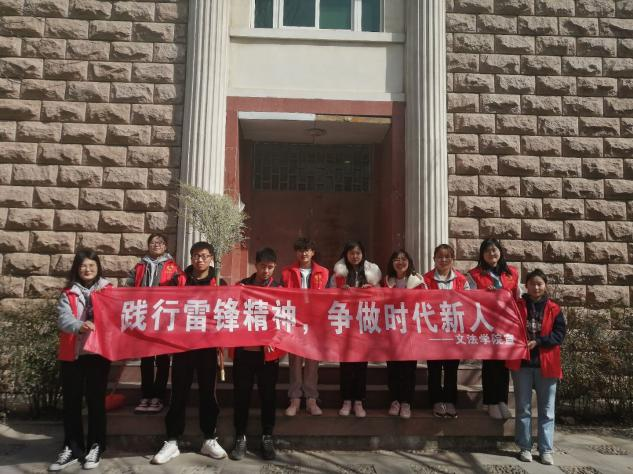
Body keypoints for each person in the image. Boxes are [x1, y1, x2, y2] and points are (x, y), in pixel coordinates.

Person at [151, 242, 226, 465]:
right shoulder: (179, 280)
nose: (199, 260)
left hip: (207, 347)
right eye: (196, 256)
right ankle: (172, 440)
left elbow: (228, 311)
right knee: (179, 393)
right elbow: (162, 303)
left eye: (204, 256)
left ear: (211, 258)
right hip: (182, 347)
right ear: (191, 257)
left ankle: (209, 438)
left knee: (208, 394)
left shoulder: (218, 282)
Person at [50, 250, 112, 471]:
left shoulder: (108, 291)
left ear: (98, 268)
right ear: (77, 268)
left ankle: (96, 446)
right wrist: (79, 325)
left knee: (96, 402)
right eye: (83, 266)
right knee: (71, 403)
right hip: (73, 355)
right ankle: (72, 447)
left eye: (92, 266)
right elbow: (63, 319)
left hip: (98, 355)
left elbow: (115, 316)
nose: (88, 270)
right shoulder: (68, 293)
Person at [229, 248, 283, 462]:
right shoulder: (242, 286)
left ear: (274, 267)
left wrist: (275, 342)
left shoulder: (279, 289)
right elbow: (231, 312)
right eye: (262, 266)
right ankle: (240, 437)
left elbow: (284, 320)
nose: (266, 271)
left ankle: (267, 436)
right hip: (244, 352)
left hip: (268, 354)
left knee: (268, 396)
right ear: (256, 265)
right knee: (241, 396)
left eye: (270, 267)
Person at [507, 269, 566, 466]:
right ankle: (525, 447)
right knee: (523, 408)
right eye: (532, 283)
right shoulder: (517, 306)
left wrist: (539, 342)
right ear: (526, 286)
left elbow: (559, 334)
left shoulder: (554, 309)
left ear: (545, 286)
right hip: (522, 364)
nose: (536, 287)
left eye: (540, 283)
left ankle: (546, 449)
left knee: (547, 410)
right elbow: (507, 328)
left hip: (546, 364)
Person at [127, 233, 183, 414]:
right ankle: (146, 395)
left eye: (160, 242)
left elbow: (182, 288)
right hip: (144, 317)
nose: (156, 245)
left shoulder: (173, 268)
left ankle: (158, 396)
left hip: (163, 318)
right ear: (148, 245)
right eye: (153, 242)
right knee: (146, 359)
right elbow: (128, 287)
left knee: (163, 359)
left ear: (165, 246)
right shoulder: (139, 266)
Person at [467, 238, 520, 420]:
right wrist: (484, 294)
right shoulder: (474, 274)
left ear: (500, 252)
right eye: (487, 251)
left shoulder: (512, 273)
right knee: (489, 364)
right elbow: (469, 298)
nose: (492, 254)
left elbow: (517, 298)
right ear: (482, 255)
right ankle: (490, 402)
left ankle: (502, 400)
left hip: (506, 325)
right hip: (486, 325)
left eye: (494, 250)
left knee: (503, 364)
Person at [331, 240, 382, 418]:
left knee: (361, 365)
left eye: (358, 253)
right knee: (346, 365)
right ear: (346, 254)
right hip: (345, 324)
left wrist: (372, 290)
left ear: (363, 254)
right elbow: (328, 295)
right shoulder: (338, 273)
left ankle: (359, 401)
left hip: (363, 324)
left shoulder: (371, 273)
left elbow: (381, 297)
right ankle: (346, 400)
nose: (355, 256)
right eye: (351, 253)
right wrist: (340, 291)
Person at [281, 237, 329, 417]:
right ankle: (294, 399)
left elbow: (328, 296)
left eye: (307, 250)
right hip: (295, 320)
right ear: (296, 252)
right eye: (300, 250)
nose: (304, 253)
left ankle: (311, 399)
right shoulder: (286, 272)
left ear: (313, 252)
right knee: (294, 361)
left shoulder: (323, 272)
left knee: (312, 362)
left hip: (315, 322)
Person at [423, 244, 471, 419]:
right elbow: (422, 302)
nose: (443, 260)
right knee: (434, 368)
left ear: (452, 259)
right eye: (440, 257)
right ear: (434, 259)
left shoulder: (461, 280)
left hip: (454, 331)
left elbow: (469, 302)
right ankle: (436, 401)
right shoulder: (426, 279)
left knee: (451, 368)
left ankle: (450, 401)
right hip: (433, 331)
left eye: (447, 257)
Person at [382, 249, 425, 419]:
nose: (400, 262)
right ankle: (394, 400)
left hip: (410, 332)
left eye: (404, 259)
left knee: (408, 369)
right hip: (391, 332)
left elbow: (425, 303)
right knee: (393, 368)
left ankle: (406, 402)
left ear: (409, 262)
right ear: (392, 263)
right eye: (396, 259)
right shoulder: (386, 282)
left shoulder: (418, 282)